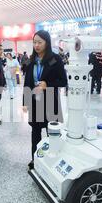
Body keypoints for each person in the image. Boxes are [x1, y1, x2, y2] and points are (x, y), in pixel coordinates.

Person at [23, 30, 68, 170]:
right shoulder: (31, 60)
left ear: (47, 43)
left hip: (50, 101)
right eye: (34, 42)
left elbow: (63, 81)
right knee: (35, 133)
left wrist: (48, 84)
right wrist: (25, 102)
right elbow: (27, 82)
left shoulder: (55, 59)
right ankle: (35, 158)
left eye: (39, 42)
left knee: (52, 133)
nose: (36, 45)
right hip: (35, 102)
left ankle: (53, 160)